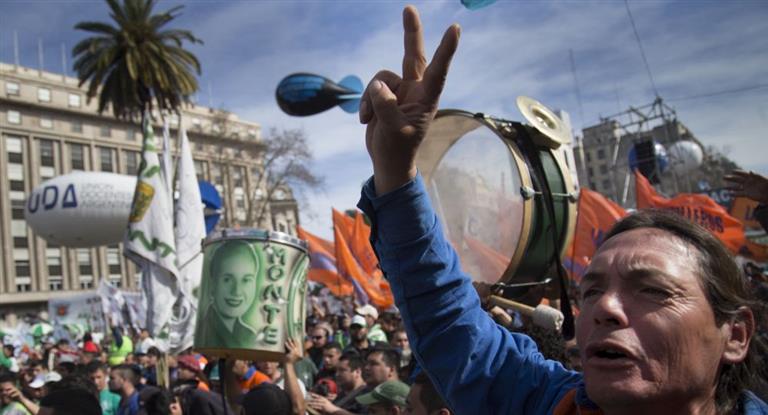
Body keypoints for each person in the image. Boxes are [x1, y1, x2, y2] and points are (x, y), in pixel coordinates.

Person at [356, 5, 766, 415]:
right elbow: (448, 318)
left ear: (736, 335)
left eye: (652, 290)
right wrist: (395, 171)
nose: (604, 308)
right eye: (591, 291)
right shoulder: (548, 402)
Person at [196, 241, 260, 348]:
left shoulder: (250, 336)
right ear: (213, 284)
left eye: (246, 280)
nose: (237, 291)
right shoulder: (204, 333)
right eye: (227, 280)